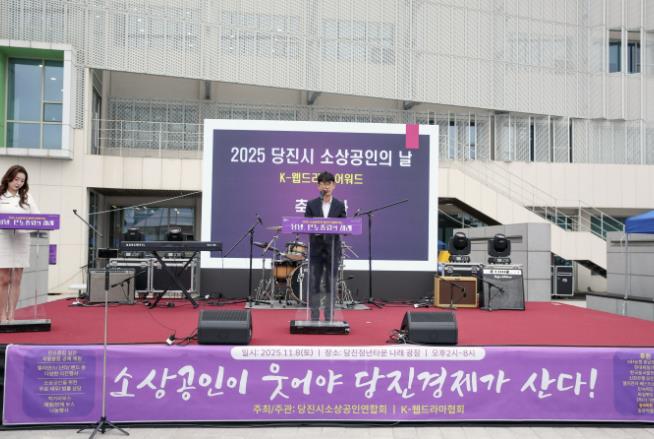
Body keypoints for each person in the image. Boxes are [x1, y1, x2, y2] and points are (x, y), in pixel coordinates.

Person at [304, 171, 346, 321]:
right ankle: (314, 316)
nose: (325, 186)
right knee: (314, 283)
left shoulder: (339, 205)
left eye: (328, 183)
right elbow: (306, 224)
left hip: (333, 249)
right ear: (318, 186)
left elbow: (344, 225)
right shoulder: (311, 204)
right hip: (316, 250)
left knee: (331, 283)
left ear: (334, 185)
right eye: (322, 183)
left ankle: (329, 316)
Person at [0, 165, 39, 322]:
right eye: (16, 179)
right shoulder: (0, 195)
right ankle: (2, 315)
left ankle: (11, 314)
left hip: (22, 240)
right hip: (3, 239)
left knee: (16, 279)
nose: (18, 183)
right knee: (4, 279)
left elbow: (37, 218)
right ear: (8, 178)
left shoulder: (27, 197)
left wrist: (25, 225)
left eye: (22, 181)